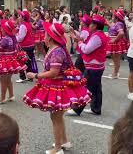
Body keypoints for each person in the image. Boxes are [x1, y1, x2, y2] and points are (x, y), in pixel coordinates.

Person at [23, 22, 91, 154]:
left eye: (46, 34)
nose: (43, 36)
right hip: (56, 85)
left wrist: (36, 75)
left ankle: (58, 148)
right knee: (57, 117)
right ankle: (64, 141)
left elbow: (54, 72)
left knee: (55, 117)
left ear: (50, 36)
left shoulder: (57, 51)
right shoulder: (56, 49)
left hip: (57, 86)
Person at [68, 15, 109, 116]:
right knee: (96, 88)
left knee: (85, 88)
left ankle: (77, 109)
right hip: (96, 66)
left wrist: (79, 42)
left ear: (95, 26)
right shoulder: (98, 34)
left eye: (91, 24)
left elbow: (86, 49)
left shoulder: (97, 36)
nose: (89, 25)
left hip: (93, 67)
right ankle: (96, 108)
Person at [0, 19, 27, 103]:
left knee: (3, 79)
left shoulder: (5, 39)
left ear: (6, 30)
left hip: (5, 61)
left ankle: (2, 98)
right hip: (12, 60)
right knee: (8, 79)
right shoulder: (13, 38)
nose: (1, 29)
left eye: (2, 28)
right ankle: (11, 95)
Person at [16, 10, 38, 83]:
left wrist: (15, 37)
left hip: (24, 46)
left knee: (21, 61)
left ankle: (22, 77)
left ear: (23, 18)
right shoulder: (28, 24)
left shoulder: (23, 25)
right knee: (29, 62)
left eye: (20, 16)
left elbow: (20, 38)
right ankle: (30, 76)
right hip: (30, 45)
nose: (19, 17)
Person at [107, 9, 128, 79]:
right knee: (114, 59)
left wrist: (114, 40)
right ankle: (115, 72)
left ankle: (115, 73)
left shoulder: (119, 23)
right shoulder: (117, 23)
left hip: (116, 43)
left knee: (116, 60)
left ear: (116, 17)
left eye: (113, 16)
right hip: (114, 42)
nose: (112, 17)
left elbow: (121, 33)